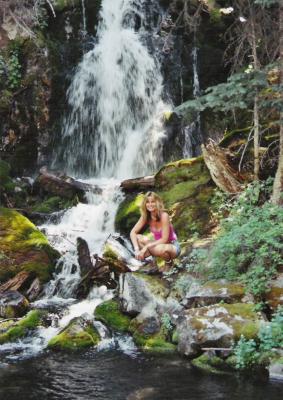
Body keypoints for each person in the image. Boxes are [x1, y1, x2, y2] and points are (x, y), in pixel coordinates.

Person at [130, 191, 181, 271]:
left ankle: (169, 263)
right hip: (157, 246)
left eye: (152, 202)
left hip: (172, 247)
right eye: (147, 202)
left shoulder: (164, 216)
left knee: (161, 249)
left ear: (157, 202)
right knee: (138, 237)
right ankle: (152, 263)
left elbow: (164, 239)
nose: (150, 204)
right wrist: (136, 250)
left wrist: (146, 247)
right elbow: (133, 232)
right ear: (145, 204)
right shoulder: (145, 216)